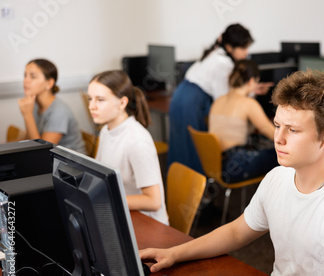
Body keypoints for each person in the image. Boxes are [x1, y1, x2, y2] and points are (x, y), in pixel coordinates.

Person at [141, 70, 324, 276]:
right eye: (277, 125)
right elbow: (237, 231)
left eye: (292, 130)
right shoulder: (277, 178)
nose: (279, 138)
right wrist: (174, 253)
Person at [167, 23, 272, 174]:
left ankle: (183, 188)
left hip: (181, 97)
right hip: (191, 103)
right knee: (190, 150)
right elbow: (226, 98)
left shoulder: (215, 54)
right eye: (243, 48)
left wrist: (251, 90)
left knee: (182, 147)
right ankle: (194, 191)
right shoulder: (223, 64)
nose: (246, 53)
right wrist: (250, 98)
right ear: (229, 47)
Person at [87, 70, 169, 226]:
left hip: (148, 224)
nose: (92, 106)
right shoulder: (106, 130)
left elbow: (153, 201)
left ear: (122, 103)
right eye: (90, 99)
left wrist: (106, 199)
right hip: (123, 214)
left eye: (100, 100)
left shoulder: (137, 141)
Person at [209, 60, 278, 183]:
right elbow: (274, 136)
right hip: (236, 165)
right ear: (252, 81)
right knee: (283, 156)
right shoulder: (249, 104)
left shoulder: (218, 100)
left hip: (216, 163)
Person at [18, 58, 86, 154]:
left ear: (49, 83)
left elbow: (42, 153)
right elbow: (29, 141)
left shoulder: (59, 111)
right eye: (25, 76)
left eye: (32, 76)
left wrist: (27, 115)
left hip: (71, 164)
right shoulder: (35, 105)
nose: (26, 81)